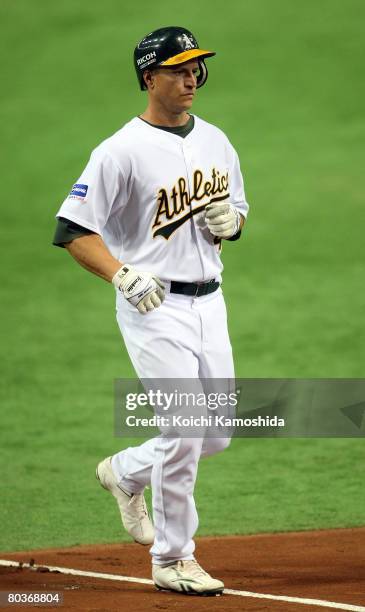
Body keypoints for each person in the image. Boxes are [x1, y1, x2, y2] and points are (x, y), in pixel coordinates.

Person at [53, 26, 249, 596]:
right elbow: (71, 230)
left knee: (215, 434)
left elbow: (237, 208)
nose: (192, 78)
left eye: (196, 69)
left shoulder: (216, 140)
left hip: (212, 304)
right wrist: (120, 273)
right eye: (179, 69)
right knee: (185, 427)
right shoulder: (119, 152)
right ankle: (172, 558)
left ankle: (124, 471)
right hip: (154, 306)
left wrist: (233, 224)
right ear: (150, 77)